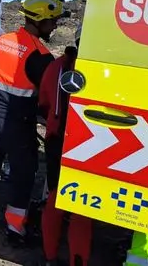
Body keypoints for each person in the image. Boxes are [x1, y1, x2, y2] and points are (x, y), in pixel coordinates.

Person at [0, 0, 69, 244]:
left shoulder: (2, 40)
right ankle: (15, 228)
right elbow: (46, 96)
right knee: (23, 175)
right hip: (19, 123)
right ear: (40, 21)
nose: (54, 26)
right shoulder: (42, 57)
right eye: (52, 21)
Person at [39, 23, 93, 266]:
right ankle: (76, 261)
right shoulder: (101, 71)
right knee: (83, 206)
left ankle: (50, 257)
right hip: (91, 143)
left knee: (55, 197)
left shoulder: (57, 66)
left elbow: (44, 103)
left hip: (56, 139)